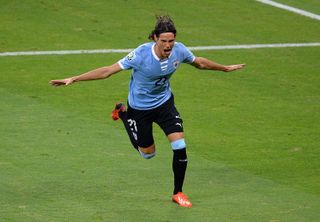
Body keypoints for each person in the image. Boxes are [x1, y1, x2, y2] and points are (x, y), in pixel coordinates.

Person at [50, 15, 245, 208]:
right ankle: (123, 114)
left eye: (171, 40)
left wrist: (224, 68)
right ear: (154, 38)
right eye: (164, 41)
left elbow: (199, 63)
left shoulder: (179, 51)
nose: (168, 45)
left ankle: (178, 193)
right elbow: (107, 71)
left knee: (179, 145)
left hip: (164, 105)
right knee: (148, 154)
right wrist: (74, 78)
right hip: (140, 109)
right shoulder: (140, 55)